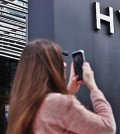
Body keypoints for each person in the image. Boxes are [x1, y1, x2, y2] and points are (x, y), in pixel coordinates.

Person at [6, 39, 116, 134]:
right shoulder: (56, 102)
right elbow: (107, 128)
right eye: (58, 59)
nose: (64, 64)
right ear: (47, 67)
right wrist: (93, 86)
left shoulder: (21, 106)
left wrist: (68, 94)